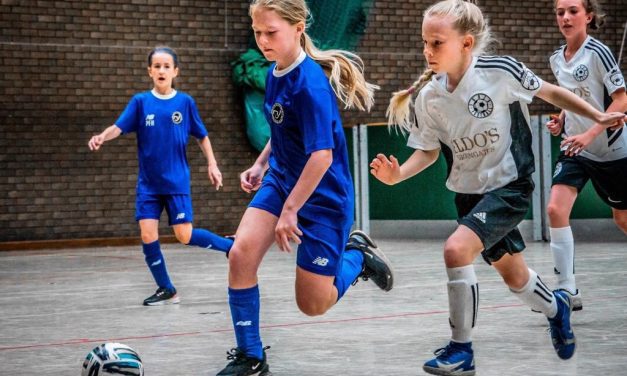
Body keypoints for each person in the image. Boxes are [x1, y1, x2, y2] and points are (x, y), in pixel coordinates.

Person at [370, 1, 626, 375]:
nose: (427, 51)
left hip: (509, 186)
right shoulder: (428, 98)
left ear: (467, 43)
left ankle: (461, 351)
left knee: (456, 250)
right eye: (425, 42)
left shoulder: (499, 71)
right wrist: (397, 176)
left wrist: (598, 116)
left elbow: (552, 93)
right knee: (515, 275)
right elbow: (425, 153)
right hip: (469, 194)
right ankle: (557, 307)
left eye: (437, 43)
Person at [215, 1, 394, 375]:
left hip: (322, 198)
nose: (263, 41)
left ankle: (357, 257)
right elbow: (282, 128)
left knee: (313, 304)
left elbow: (321, 158)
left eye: (271, 32)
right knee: (241, 256)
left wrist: (291, 210)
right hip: (282, 179)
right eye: (258, 32)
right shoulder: (276, 72)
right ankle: (251, 357)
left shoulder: (310, 84)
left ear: (298, 28)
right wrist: (261, 163)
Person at [88, 46, 234, 306]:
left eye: (167, 66)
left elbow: (202, 135)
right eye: (157, 66)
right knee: (147, 234)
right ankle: (166, 288)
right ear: (150, 72)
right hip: (148, 185)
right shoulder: (141, 102)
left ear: (175, 71)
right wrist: (102, 136)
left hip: (176, 182)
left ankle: (229, 247)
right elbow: (118, 127)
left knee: (184, 235)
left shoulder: (185, 103)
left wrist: (213, 164)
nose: (162, 70)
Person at [544, 0, 627, 312]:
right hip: (574, 150)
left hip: (612, 151)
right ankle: (567, 290)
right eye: (560, 12)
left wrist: (591, 133)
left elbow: (621, 99)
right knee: (554, 209)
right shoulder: (555, 59)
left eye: (573, 11)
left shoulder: (599, 53)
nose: (565, 17)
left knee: (622, 218)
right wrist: (562, 120)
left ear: (588, 16)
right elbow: (572, 99)